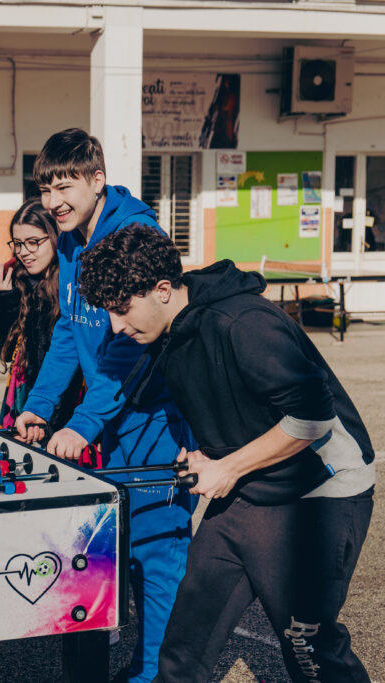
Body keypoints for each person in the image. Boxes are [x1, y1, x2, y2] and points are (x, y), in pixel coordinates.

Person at [78, 225, 375, 682]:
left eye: (121, 310)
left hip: (319, 494)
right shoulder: (167, 330)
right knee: (184, 640)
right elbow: (227, 401)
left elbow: (313, 417)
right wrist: (205, 454)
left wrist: (230, 466)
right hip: (247, 492)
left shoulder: (243, 322)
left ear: (161, 290)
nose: (117, 326)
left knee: (308, 648)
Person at [12, 129, 194, 683]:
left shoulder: (134, 232)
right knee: (119, 549)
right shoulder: (69, 238)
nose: (52, 202)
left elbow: (129, 344)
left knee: (156, 557)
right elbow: (72, 326)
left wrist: (84, 422)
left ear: (97, 180)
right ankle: (139, 662)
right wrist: (40, 406)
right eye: (45, 188)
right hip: (109, 418)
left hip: (152, 413)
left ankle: (156, 674)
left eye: (63, 186)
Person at [0, 198, 82, 432]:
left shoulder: (72, 286)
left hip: (70, 411)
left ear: (56, 238)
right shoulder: (19, 285)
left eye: (33, 242)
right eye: (17, 244)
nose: (24, 252)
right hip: (27, 404)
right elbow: (1, 351)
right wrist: (2, 301)